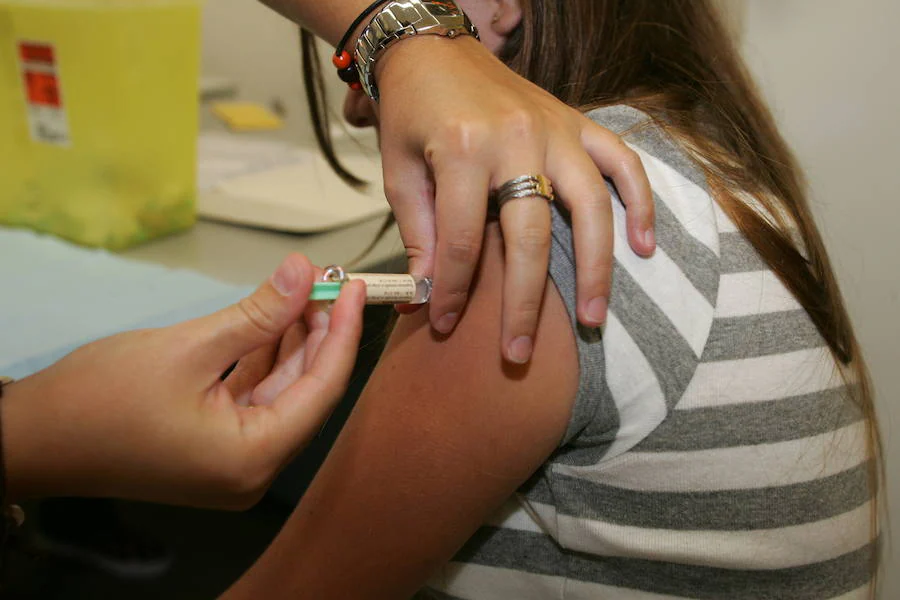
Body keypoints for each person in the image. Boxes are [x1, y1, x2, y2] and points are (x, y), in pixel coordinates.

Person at [220, 1, 883, 599]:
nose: (360, 107)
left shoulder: (548, 218)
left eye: (360, 67)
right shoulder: (688, 164)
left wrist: (116, 440)